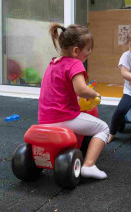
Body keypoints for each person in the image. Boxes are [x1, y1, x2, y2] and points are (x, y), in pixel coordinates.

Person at [38, 23, 110, 180]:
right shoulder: (75, 63)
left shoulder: (53, 63)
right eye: (87, 54)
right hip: (63, 118)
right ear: (76, 51)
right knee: (103, 128)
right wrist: (94, 94)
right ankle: (89, 165)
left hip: (44, 119)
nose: (86, 57)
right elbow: (81, 89)